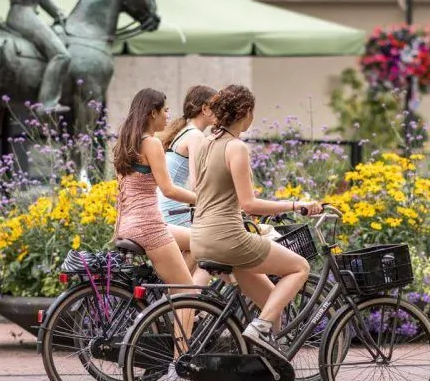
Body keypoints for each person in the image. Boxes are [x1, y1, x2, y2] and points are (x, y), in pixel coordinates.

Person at [189, 84, 322, 359]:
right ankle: (259, 328)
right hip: (228, 238)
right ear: (246, 112)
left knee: (270, 300)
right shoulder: (235, 147)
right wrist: (297, 205)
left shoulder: (204, 143)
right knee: (300, 267)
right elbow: (249, 203)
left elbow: (203, 189)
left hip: (200, 236)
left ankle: (266, 362)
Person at [112, 87, 205, 291]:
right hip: (148, 226)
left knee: (200, 242)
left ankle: (170, 297)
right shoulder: (151, 143)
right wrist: (205, 200)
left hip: (128, 224)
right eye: (165, 110)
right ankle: (177, 300)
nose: (168, 116)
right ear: (153, 112)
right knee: (187, 293)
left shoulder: (127, 142)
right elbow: (168, 190)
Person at [156, 84, 217, 227]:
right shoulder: (196, 136)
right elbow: (197, 184)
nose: (221, 112)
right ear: (205, 109)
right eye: (217, 107)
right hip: (173, 209)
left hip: (164, 205)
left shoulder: (185, 130)